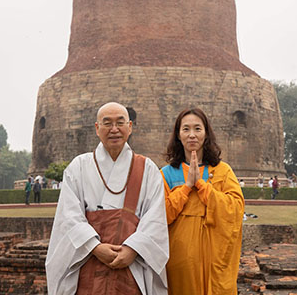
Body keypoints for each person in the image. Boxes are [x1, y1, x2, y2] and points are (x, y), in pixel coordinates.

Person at [45, 102, 168, 295]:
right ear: (97, 128)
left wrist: (132, 249)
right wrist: (95, 246)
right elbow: (69, 216)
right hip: (88, 261)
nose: (114, 129)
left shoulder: (148, 169)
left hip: (132, 264)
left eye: (120, 123)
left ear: (130, 127)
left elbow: (155, 219)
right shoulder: (79, 167)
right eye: (107, 123)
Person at [160, 108, 244, 295]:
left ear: (206, 134)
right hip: (180, 260)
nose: (192, 135)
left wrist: (202, 185)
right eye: (186, 129)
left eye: (197, 129)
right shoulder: (166, 174)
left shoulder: (222, 171)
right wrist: (187, 187)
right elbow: (160, 215)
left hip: (216, 258)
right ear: (178, 135)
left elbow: (236, 210)